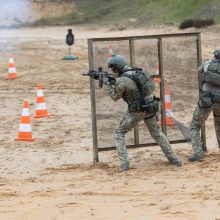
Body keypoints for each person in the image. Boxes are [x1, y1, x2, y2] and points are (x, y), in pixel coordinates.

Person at [105, 54, 182, 171]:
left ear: (116, 67)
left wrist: (110, 85)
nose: (112, 70)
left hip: (136, 110)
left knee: (118, 133)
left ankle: (124, 164)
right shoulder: (139, 71)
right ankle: (174, 159)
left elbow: (115, 97)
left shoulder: (122, 79)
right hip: (151, 106)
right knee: (157, 134)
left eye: (112, 68)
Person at [189, 49, 220, 162]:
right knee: (218, 123)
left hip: (207, 100)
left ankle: (198, 153)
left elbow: (199, 70)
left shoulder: (207, 64)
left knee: (194, 126)